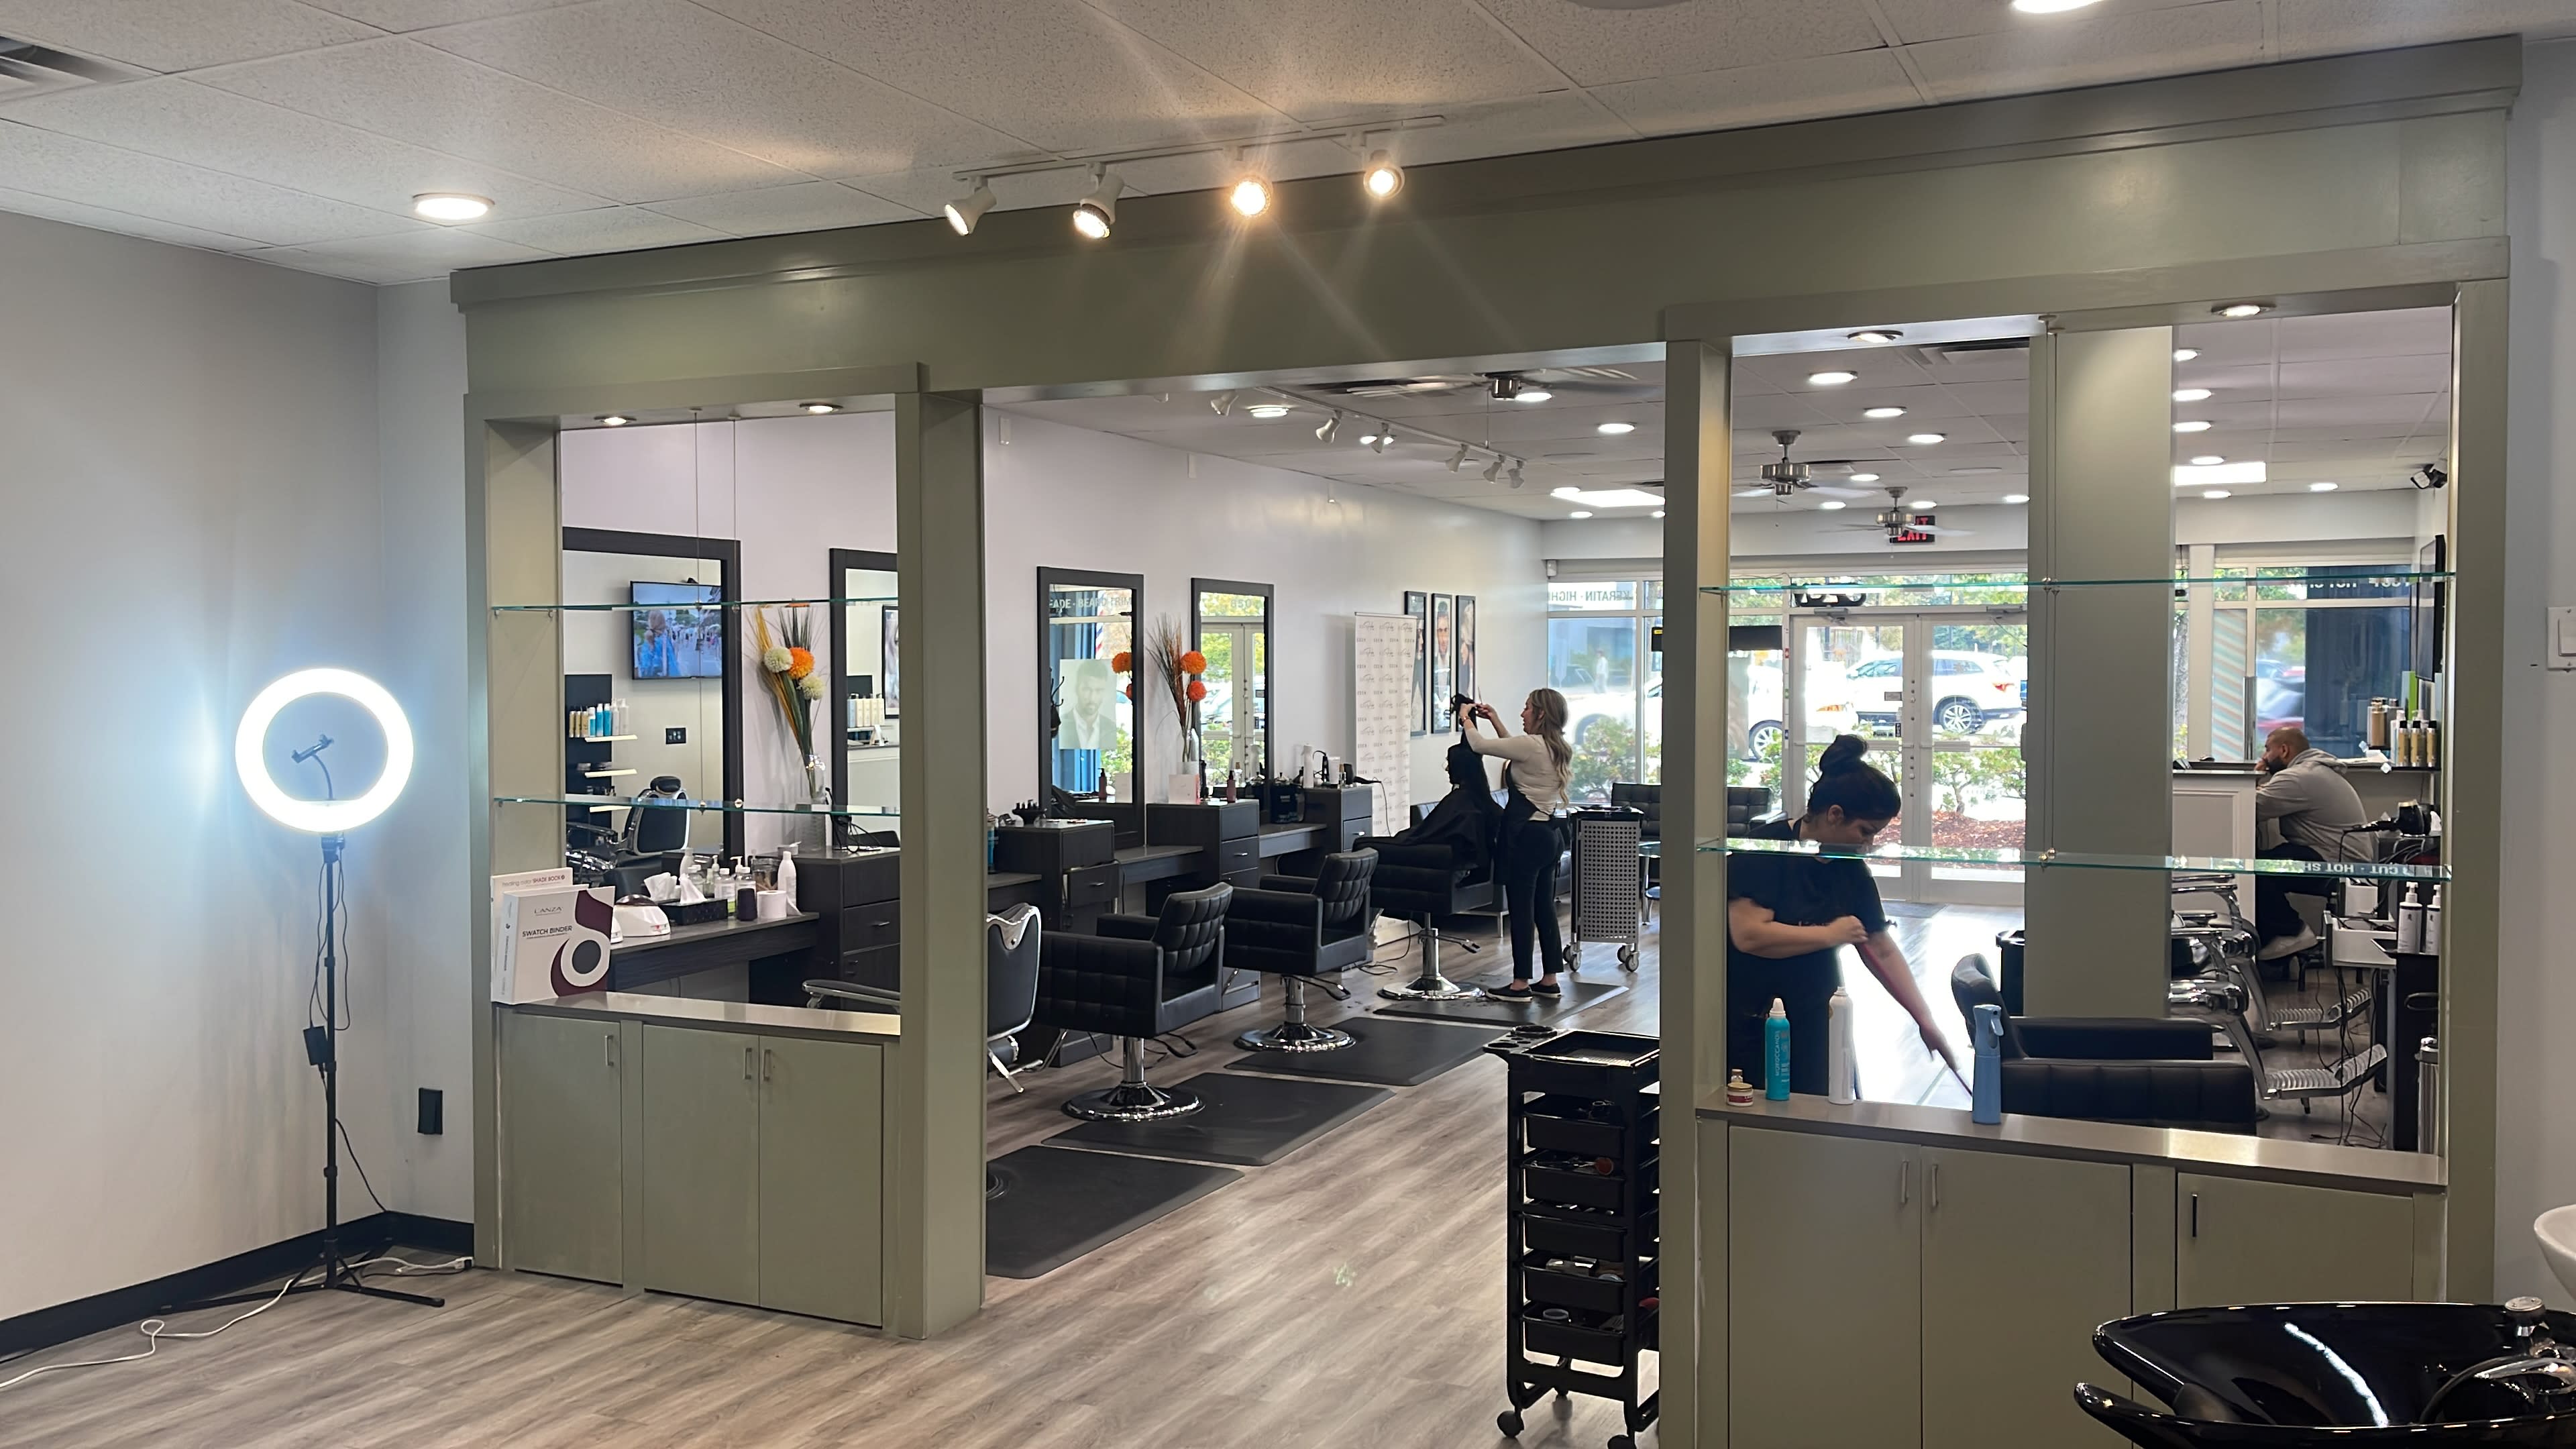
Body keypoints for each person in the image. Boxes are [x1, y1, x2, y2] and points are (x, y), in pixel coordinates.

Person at [1727, 735, 1960, 1096]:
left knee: (1824, 1106)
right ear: (1835, 814)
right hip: (1752, 1017)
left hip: (1817, 1009)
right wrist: (1831, 934)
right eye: (1865, 832)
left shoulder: (1848, 866)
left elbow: (1880, 947)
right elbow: (1750, 935)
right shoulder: (1766, 848)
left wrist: (1925, 1020)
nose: (1868, 845)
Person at [1459, 690, 1573, 1000]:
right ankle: (1549, 979)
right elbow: (1515, 749)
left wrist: (1466, 718)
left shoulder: (1532, 745)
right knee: (1544, 909)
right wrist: (1494, 719)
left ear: (1541, 714)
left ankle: (1520, 983)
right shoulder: (1553, 746)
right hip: (1549, 835)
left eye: (1527, 708)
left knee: (1521, 911)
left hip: (1527, 838)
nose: (1523, 714)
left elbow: (1479, 745)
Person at [2253, 724, 2369, 959]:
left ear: (2284, 750)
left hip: (2334, 863)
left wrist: (2256, 777)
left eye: (2267, 750)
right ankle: (2279, 939)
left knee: (2256, 869)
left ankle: (2291, 932)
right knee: (2266, 861)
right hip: (2338, 857)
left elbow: (2250, 807)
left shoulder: (2299, 777)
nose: (2264, 756)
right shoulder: (2313, 771)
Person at [1055, 657, 1119, 752]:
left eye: (1099, 690)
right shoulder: (1062, 725)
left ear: (1105, 692)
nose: (1092, 698)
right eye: (1087, 689)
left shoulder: (1111, 728)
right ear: (1077, 689)